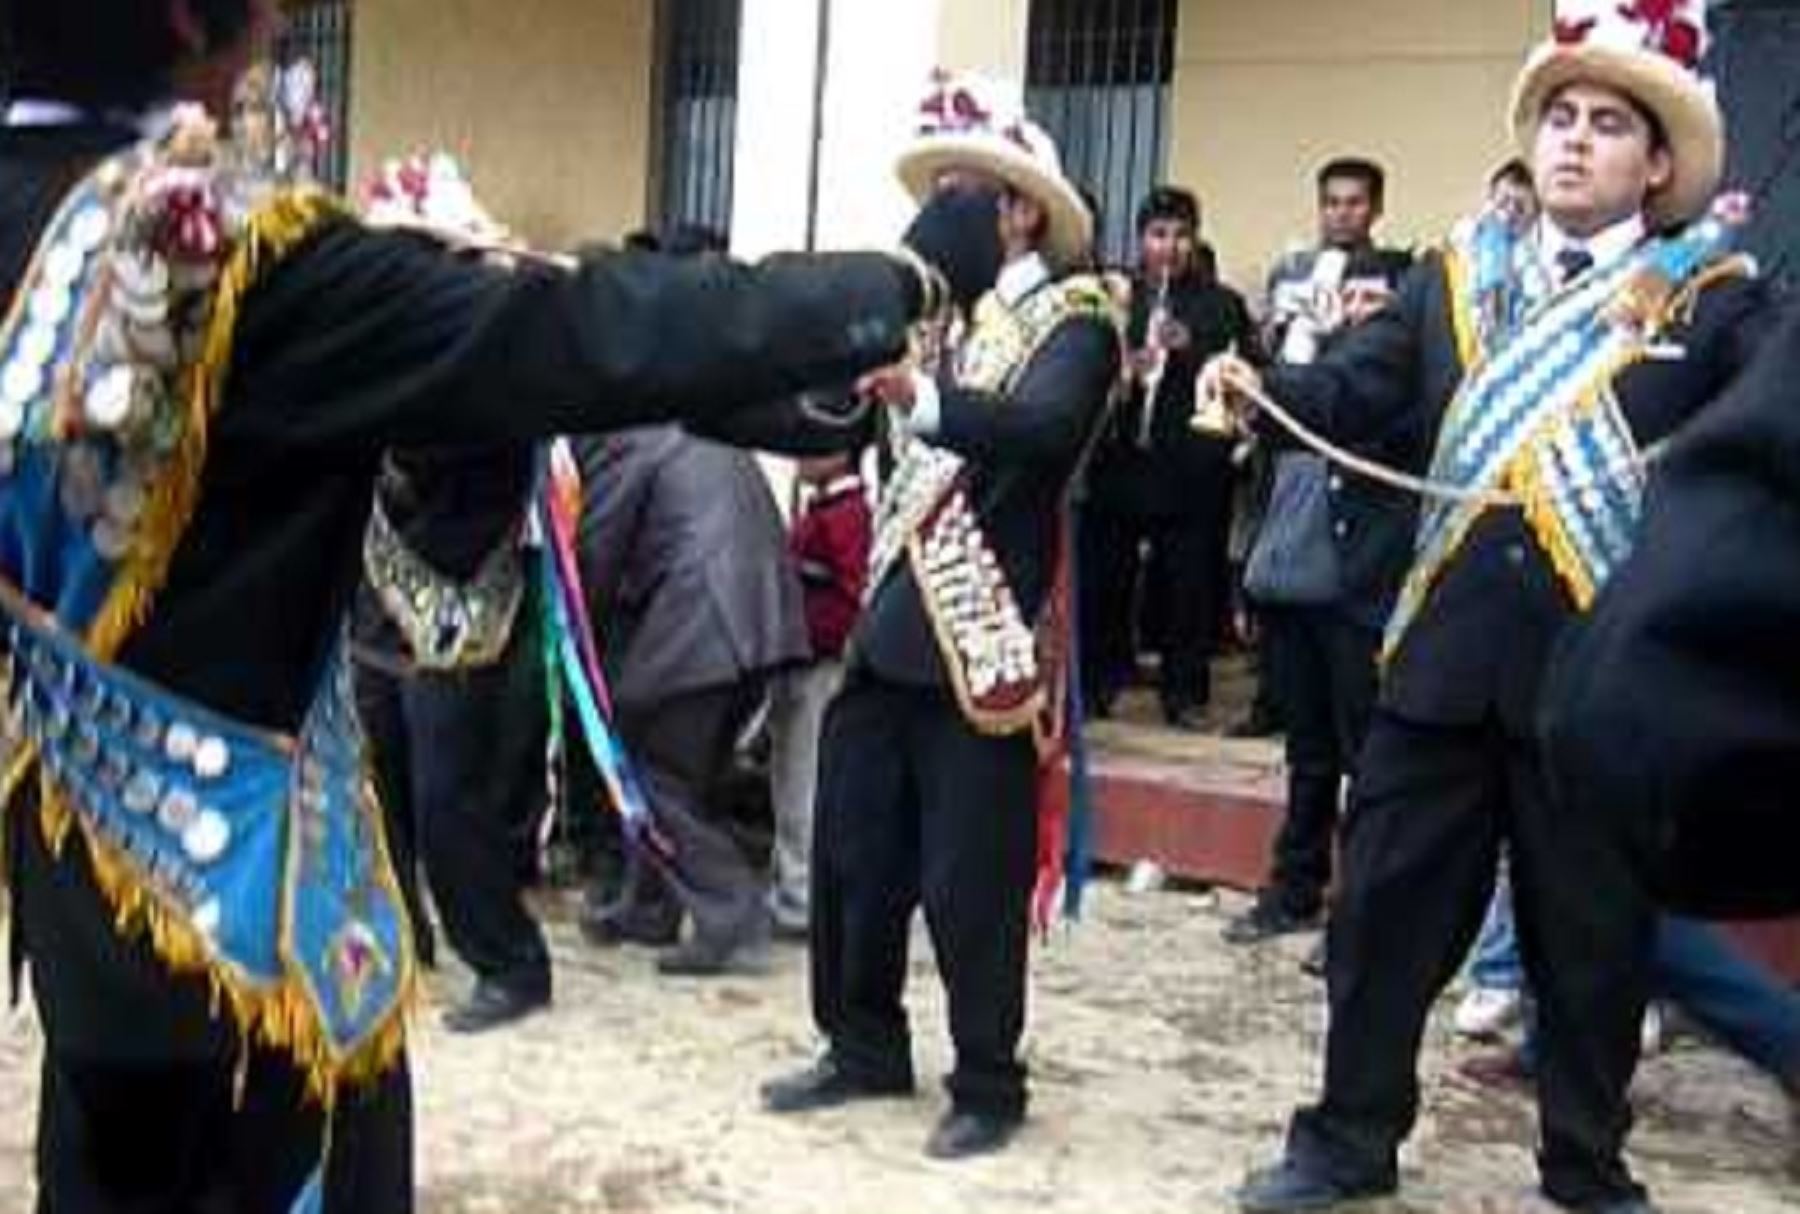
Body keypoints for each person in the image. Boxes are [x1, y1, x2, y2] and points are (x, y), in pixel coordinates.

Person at [0, 4, 952, 1210]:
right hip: (247, 926)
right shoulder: (232, 253)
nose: (282, 19)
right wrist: (888, 285)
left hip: (76, 867)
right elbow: (573, 331)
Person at [1204, 3, 1772, 1209]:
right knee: (1381, 924)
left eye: (1608, 124)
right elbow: (1359, 392)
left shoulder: (1715, 302)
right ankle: (1346, 1140)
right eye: (1560, 116)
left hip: (1598, 685)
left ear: (1656, 164)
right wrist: (1269, 387)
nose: (1574, 140)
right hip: (1441, 671)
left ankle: (1585, 1163)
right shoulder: (1457, 277)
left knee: (1593, 944)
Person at [738, 71, 1122, 1161]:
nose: (940, 212)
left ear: (1020, 210)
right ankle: (860, 1042)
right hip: (890, 629)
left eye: (962, 191)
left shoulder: (1080, 321)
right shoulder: (933, 324)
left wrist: (926, 398)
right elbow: (842, 436)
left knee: (970, 880)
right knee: (854, 854)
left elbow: (1043, 431)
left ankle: (989, 1079)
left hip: (981, 637)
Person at [1221, 159, 1416, 945]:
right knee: (1305, 755)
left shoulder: (1391, 376)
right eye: (1330, 203)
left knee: (1365, 757)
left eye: (1354, 203)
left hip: (1355, 586)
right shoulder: (1289, 361)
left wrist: (1354, 345)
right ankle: (1293, 889)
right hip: (1287, 575)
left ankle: (1361, 912)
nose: (1340, 215)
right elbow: (1260, 474)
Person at [573, 424, 809, 975]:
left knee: (650, 776)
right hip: (757, 618)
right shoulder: (687, 428)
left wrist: (579, 636)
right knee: (684, 776)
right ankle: (649, 907)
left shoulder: (624, 442)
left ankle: (733, 916)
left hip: (703, 620)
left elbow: (598, 554)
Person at [1080, 185, 1258, 728]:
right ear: (1140, 239)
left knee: (1188, 587)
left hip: (1190, 468)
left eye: (1182, 235)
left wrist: (1191, 349)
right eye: (1159, 235)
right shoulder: (1115, 296)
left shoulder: (1222, 304)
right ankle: (1097, 685)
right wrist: (1126, 367)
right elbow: (1085, 366)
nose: (1170, 247)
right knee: (1105, 581)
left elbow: (1245, 374)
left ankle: (1184, 696)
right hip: (1122, 460)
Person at [766, 452, 871, 940]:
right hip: (803, 659)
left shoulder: (846, 516)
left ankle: (800, 896)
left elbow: (854, 599)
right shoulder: (825, 510)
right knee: (791, 777)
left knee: (802, 783)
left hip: (820, 665)